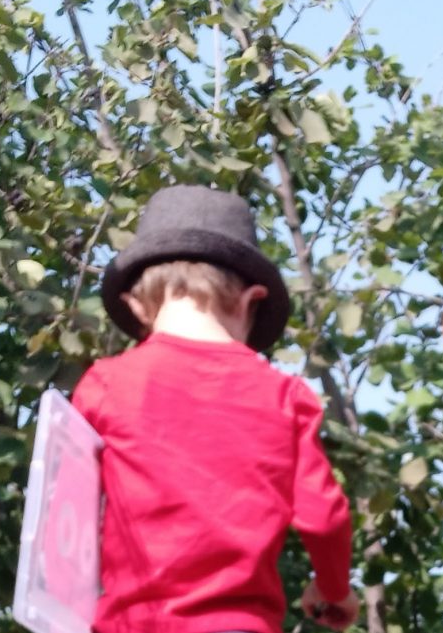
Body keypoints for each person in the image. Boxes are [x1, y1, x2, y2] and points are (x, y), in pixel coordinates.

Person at [76, 185, 359, 633]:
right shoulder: (284, 396)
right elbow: (324, 518)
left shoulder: (105, 384)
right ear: (252, 302)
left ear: (136, 305)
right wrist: (334, 588)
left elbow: (69, 512)